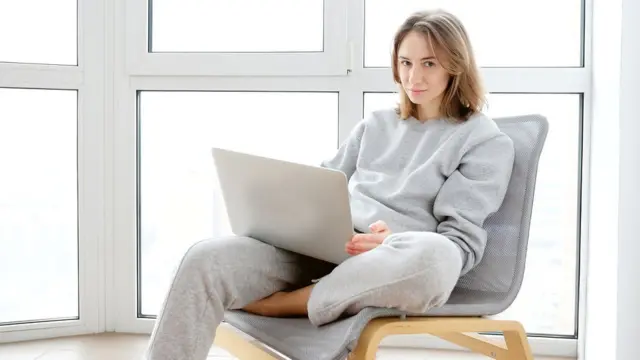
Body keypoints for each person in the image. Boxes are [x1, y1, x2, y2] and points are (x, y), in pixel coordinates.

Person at [144, 9, 515, 360]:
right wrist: (286, 211)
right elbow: (321, 185)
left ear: (456, 64)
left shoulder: (482, 140)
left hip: (392, 262)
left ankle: (293, 302)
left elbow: (459, 246)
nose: (413, 77)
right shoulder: (376, 125)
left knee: (438, 257)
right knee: (205, 258)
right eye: (406, 62)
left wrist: (393, 241)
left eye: (429, 63)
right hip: (324, 249)